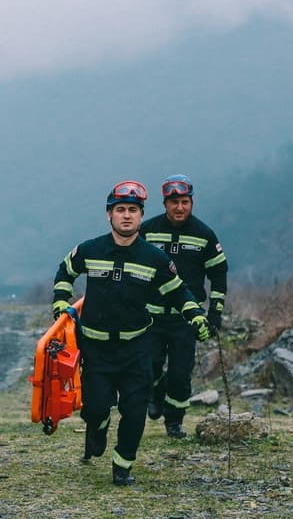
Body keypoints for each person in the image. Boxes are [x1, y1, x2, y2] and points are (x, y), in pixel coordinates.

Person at [52, 180, 210, 486]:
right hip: (96, 350)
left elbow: (179, 293)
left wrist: (195, 316)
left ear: (140, 216)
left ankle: (122, 465)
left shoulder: (155, 259)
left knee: (135, 411)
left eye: (133, 210)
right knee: (96, 408)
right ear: (109, 215)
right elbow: (65, 271)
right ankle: (97, 426)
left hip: (137, 349)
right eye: (121, 209)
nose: (127, 215)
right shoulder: (90, 249)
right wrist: (61, 299)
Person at [140, 174, 228, 438]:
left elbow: (219, 274)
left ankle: (174, 422)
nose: (180, 207)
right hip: (151, 318)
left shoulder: (204, 235)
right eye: (175, 202)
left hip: (186, 320)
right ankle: (155, 393)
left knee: (180, 374)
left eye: (185, 202)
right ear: (165, 203)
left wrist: (215, 313)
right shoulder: (147, 230)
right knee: (149, 366)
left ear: (192, 202)